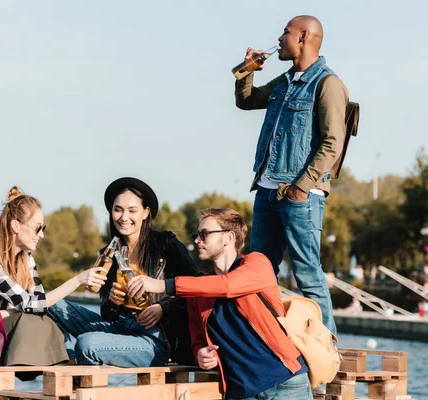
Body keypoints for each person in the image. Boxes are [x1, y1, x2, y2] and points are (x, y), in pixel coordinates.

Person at [235, 15, 349, 335]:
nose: (280, 37)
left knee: (308, 275)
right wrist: (246, 70)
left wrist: (301, 187)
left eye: (286, 32)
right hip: (267, 190)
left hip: (301, 195)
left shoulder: (328, 84)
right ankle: (267, 342)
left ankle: (327, 351)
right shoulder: (284, 82)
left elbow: (332, 143)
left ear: (303, 37)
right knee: (260, 272)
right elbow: (246, 101)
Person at [126, 208, 311, 399]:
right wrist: (201, 355)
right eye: (197, 235)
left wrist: (162, 285)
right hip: (241, 393)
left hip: (286, 384)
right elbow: (197, 340)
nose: (197, 240)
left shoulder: (257, 264)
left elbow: (228, 285)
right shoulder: (197, 292)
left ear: (228, 238)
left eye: (204, 234)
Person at [0, 186, 107, 399]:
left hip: (1, 334)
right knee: (38, 320)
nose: (42, 235)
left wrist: (8, 313)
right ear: (15, 226)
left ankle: (72, 368)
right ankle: (72, 366)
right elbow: (31, 304)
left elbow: (35, 304)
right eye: (38, 228)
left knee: (45, 319)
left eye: (43, 228)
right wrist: (78, 279)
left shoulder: (26, 259)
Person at [47, 177, 199, 367]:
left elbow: (196, 286)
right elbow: (107, 314)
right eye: (118, 210)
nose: (123, 217)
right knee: (51, 302)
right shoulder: (107, 254)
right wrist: (111, 301)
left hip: (154, 337)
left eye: (132, 210)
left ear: (145, 212)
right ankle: (67, 357)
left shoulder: (166, 244)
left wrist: (163, 308)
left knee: (87, 343)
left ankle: (84, 365)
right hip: (118, 327)